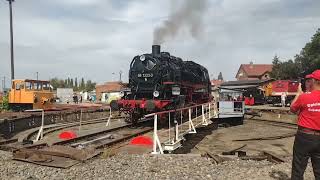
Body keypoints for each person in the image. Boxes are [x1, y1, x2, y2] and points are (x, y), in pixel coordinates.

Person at [290, 70, 320, 180]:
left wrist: (298, 94)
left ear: (314, 81)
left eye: (310, 79)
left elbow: (292, 109)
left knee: (298, 169)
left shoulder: (305, 97)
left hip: (304, 137)